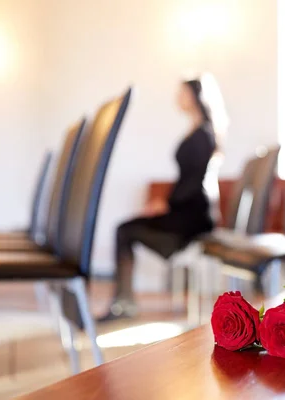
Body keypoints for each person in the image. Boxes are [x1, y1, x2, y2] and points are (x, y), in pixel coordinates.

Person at [99, 74, 228, 321]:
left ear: (194, 97)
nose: (177, 99)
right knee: (126, 229)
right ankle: (123, 301)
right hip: (187, 209)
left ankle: (123, 303)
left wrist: (166, 204)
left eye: (182, 93)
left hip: (192, 215)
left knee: (124, 230)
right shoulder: (199, 131)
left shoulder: (203, 134)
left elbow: (194, 182)